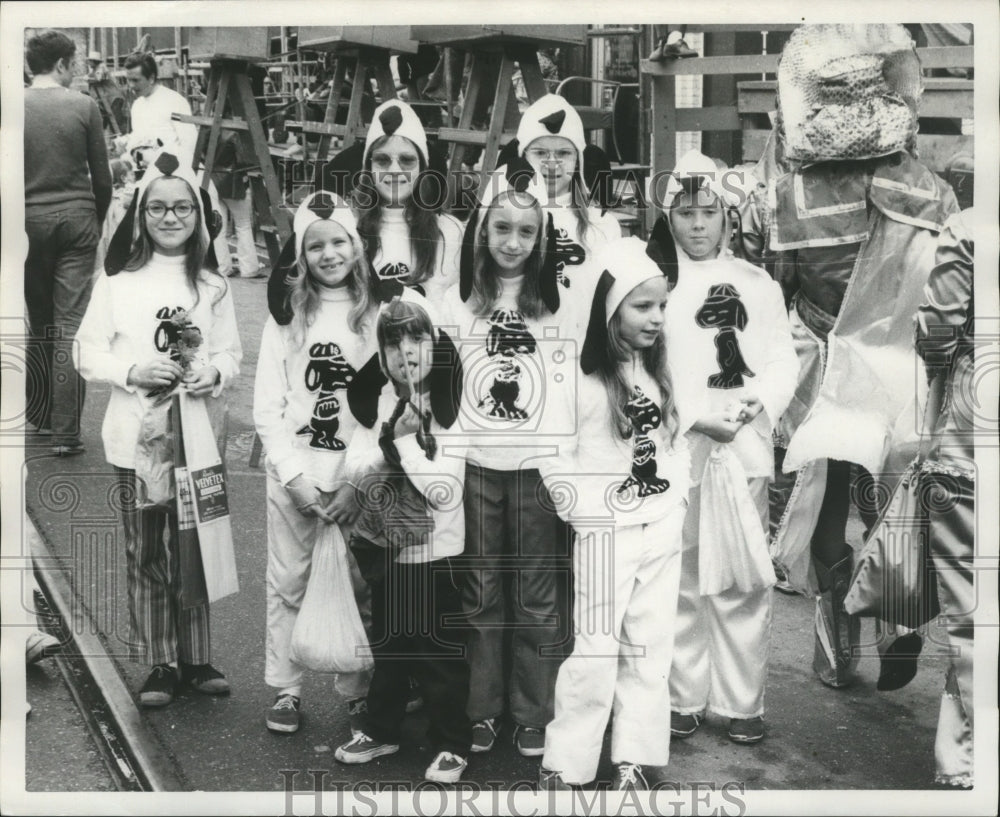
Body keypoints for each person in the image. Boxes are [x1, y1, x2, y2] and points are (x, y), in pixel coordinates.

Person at [743, 25, 960, 689]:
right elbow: (952, 292)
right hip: (904, 369)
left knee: (825, 504)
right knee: (897, 497)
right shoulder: (931, 188)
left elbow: (760, 295)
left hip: (821, 371)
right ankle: (896, 619)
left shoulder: (787, 197)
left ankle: (836, 640)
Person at [76, 150, 241, 707]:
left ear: (199, 216)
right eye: (158, 209)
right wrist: (132, 371)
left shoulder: (213, 286)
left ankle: (196, 658)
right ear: (140, 215)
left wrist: (213, 373)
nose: (170, 219)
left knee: (194, 546)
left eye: (182, 209)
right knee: (145, 550)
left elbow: (231, 353)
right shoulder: (116, 282)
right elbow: (85, 352)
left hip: (195, 440)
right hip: (134, 441)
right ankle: (159, 661)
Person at [650, 151, 798, 746]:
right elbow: (647, 369)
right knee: (682, 574)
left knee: (742, 576)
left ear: (727, 217)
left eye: (708, 211)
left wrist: (753, 404)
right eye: (684, 213)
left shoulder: (756, 285)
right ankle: (683, 696)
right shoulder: (656, 284)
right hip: (681, 447)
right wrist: (689, 417)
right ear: (669, 219)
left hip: (742, 449)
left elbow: (782, 358)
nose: (697, 225)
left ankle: (741, 701)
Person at [537, 237, 690, 791]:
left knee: (651, 647)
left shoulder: (662, 370)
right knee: (596, 647)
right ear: (610, 309)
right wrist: (582, 514)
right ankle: (567, 761)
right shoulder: (578, 378)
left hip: (660, 526)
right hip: (605, 532)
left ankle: (636, 756)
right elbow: (555, 457)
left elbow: (678, 441)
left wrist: (679, 501)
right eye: (641, 306)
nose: (655, 318)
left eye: (662, 306)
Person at [442, 178, 576, 759]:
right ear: (481, 231)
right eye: (501, 228)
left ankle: (532, 709)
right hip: (476, 465)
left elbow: (573, 387)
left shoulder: (560, 304)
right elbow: (442, 385)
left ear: (542, 238)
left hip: (535, 468)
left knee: (537, 595)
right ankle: (481, 707)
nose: (513, 242)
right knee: (480, 591)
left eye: (527, 231)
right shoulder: (456, 301)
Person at [254, 192, 379, 736]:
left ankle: (357, 687)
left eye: (339, 241)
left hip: (356, 475)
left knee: (359, 584)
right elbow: (268, 404)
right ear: (300, 256)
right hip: (297, 473)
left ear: (357, 245)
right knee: (288, 580)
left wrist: (356, 477)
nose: (329, 254)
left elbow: (385, 404)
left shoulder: (376, 313)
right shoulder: (286, 316)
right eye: (315, 245)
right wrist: (293, 475)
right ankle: (286, 687)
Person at [333, 291, 472, 783]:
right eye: (392, 342)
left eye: (417, 337)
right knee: (391, 647)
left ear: (435, 342)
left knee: (439, 654)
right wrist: (385, 447)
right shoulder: (385, 400)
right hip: (389, 546)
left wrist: (409, 442)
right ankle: (381, 726)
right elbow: (356, 459)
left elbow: (443, 489)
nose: (405, 351)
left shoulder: (454, 405)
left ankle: (453, 739)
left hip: (439, 553)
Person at [24, 29, 113, 457]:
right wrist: (93, 223)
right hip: (77, 219)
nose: (75, 69)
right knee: (70, 327)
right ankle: (65, 433)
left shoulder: (13, 105)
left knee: (39, 320)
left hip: (25, 224)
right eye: (73, 63)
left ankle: (39, 416)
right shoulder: (83, 105)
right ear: (61, 64)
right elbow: (103, 177)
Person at [914, 208, 976, 788]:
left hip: (974, 428)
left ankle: (963, 754)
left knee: (970, 596)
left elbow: (936, 332)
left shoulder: (972, 227)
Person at [504, 94, 621, 311]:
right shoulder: (505, 216)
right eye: (540, 153)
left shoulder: (603, 224)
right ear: (524, 156)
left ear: (578, 160)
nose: (552, 163)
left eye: (564, 153)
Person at [352, 99, 463, 308]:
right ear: (369, 168)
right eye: (382, 160)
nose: (395, 170)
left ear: (422, 168)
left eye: (407, 160)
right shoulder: (348, 230)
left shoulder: (450, 232)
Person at [124, 51, 197, 173]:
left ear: (151, 78)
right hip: (144, 172)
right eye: (128, 80)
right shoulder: (137, 105)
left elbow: (190, 145)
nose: (130, 85)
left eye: (136, 80)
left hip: (173, 173)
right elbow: (139, 137)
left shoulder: (175, 101)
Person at [211, 127, 262, 279]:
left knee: (218, 226)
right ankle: (249, 269)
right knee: (243, 225)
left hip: (213, 179)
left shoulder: (207, 130)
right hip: (234, 182)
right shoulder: (235, 133)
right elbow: (243, 160)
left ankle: (223, 268)